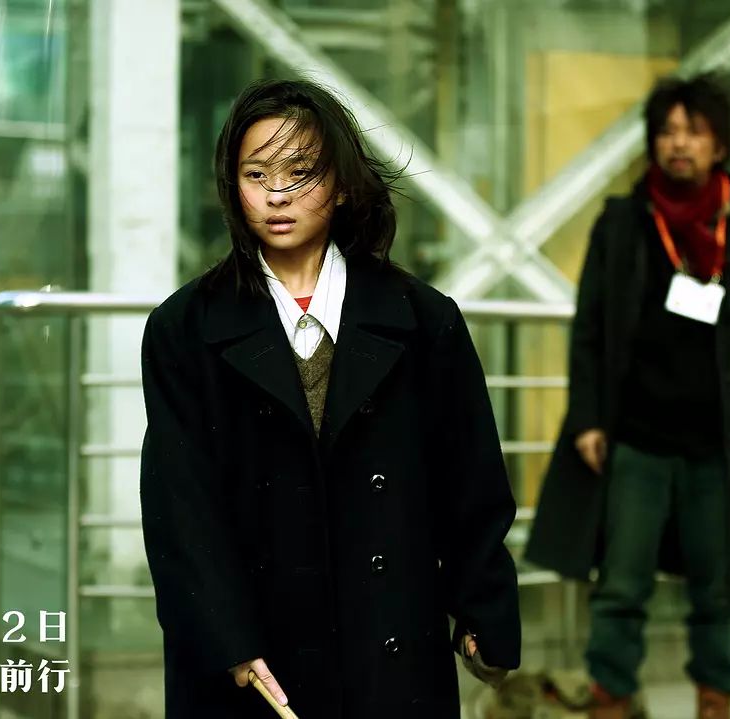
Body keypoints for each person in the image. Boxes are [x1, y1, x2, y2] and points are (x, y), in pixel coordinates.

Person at [139, 78, 521, 718]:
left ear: (342, 185)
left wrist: (483, 609)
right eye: (256, 174)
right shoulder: (184, 329)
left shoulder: (423, 319)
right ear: (232, 186)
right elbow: (179, 505)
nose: (277, 194)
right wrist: (227, 640)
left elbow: (470, 478)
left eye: (301, 173)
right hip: (256, 660)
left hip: (390, 642)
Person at [525, 74, 730, 719]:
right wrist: (588, 419)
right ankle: (612, 697)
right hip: (637, 438)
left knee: (719, 588)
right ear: (653, 143)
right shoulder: (623, 224)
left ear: (719, 146)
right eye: (668, 132)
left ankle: (715, 701)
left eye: (694, 132)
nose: (679, 144)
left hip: (722, 443)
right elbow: (589, 329)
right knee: (621, 585)